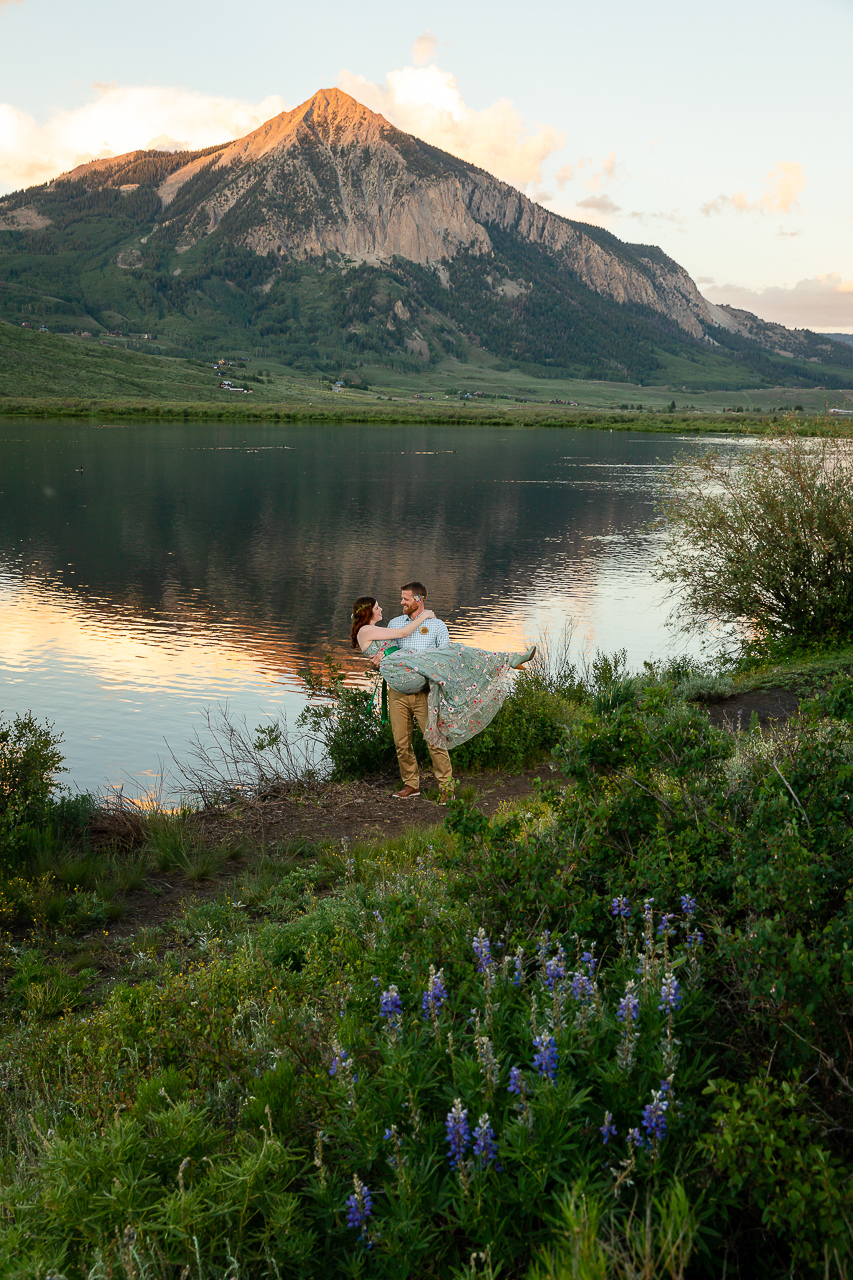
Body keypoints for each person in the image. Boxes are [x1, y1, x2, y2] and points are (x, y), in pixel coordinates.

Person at [351, 581, 535, 803]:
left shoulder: (437, 626)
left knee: (435, 739)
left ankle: (447, 788)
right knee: (401, 742)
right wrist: (378, 660)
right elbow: (389, 648)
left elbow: (446, 658)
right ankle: (411, 785)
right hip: (398, 690)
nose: (400, 602)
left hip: (425, 690)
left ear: (418, 600)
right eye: (401, 598)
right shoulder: (395, 623)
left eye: (405, 599)